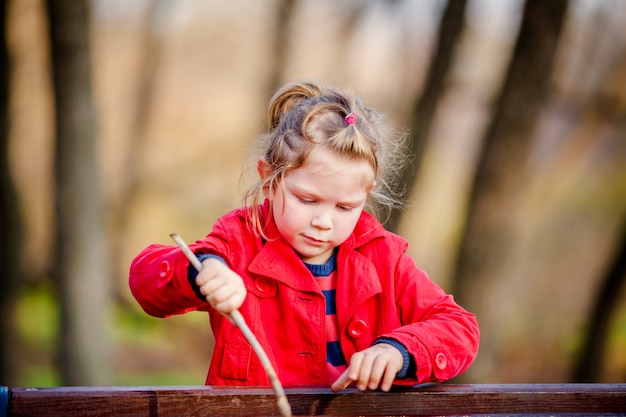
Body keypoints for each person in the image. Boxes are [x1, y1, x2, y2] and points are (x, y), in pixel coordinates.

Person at [129, 81, 479, 392]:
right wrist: (201, 269)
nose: (324, 221)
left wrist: (399, 351)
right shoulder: (238, 241)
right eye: (307, 200)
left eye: (345, 207)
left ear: (366, 195)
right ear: (269, 177)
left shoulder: (384, 256)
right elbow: (146, 280)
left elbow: (459, 328)